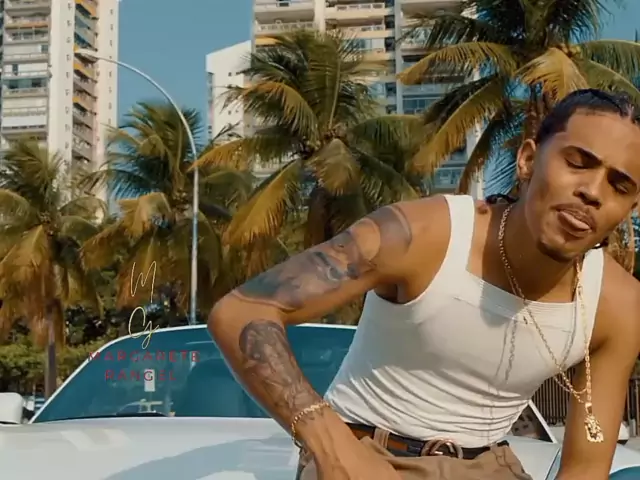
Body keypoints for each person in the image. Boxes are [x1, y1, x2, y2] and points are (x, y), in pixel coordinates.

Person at [208, 89, 640, 480]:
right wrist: (331, 443)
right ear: (527, 160)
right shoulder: (425, 235)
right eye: (577, 163)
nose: (592, 191)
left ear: (630, 207)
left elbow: (585, 467)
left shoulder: (618, 305)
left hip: (490, 467)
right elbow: (242, 312)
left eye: (619, 186)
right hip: (368, 452)